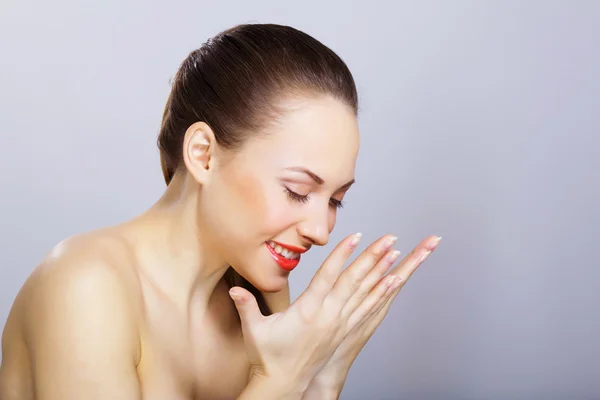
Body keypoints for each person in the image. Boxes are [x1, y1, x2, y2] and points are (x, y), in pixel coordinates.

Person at [0, 23, 441, 399]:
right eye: (296, 190)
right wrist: (280, 381)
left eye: (335, 200)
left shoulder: (257, 303)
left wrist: (322, 381)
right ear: (203, 154)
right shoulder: (84, 285)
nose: (321, 230)